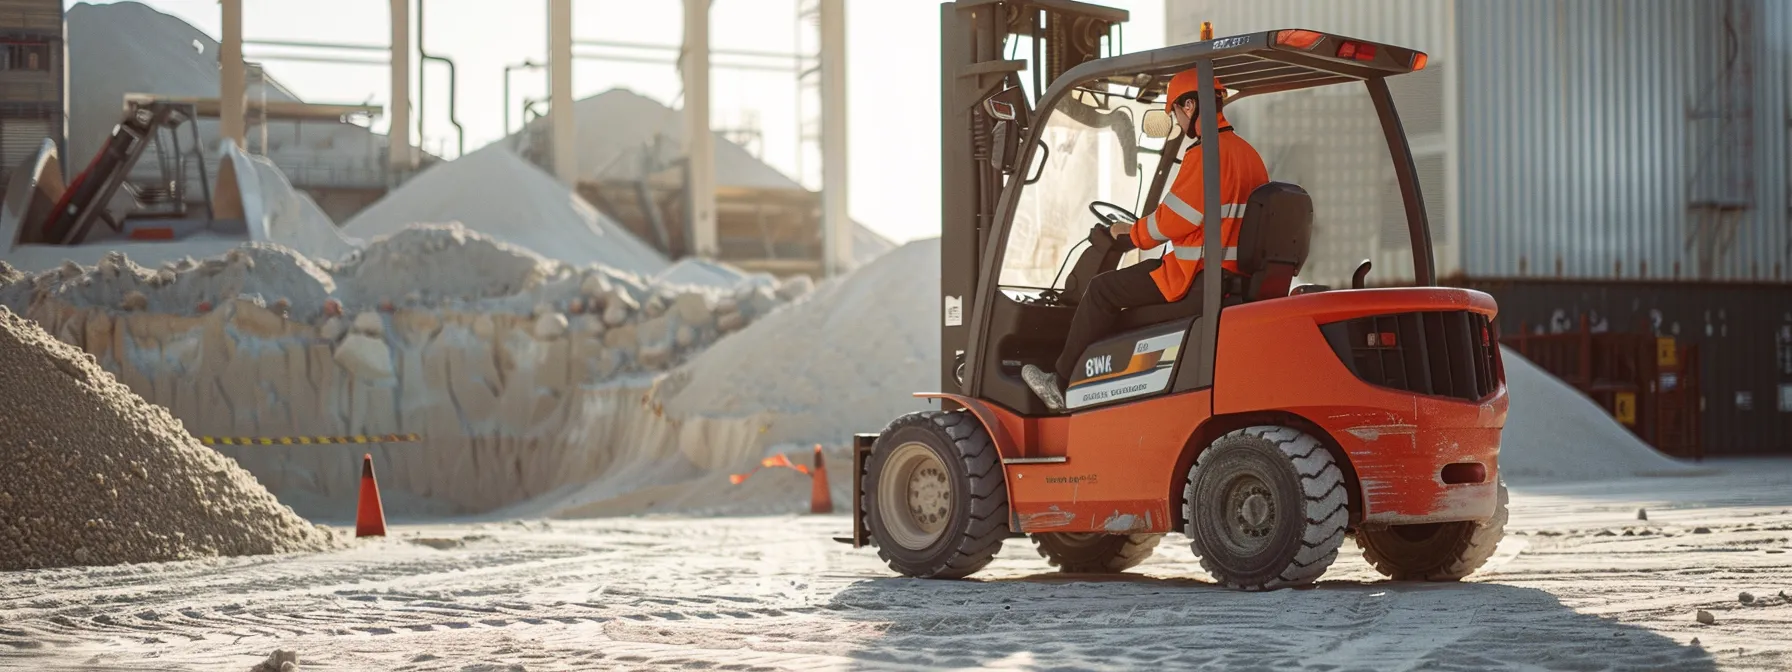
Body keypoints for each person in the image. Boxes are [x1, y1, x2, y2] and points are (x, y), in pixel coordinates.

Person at [1021, 70, 1270, 412]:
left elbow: (1175, 219)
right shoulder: (1248, 155)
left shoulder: (1206, 155)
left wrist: (1131, 233)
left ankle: (1060, 383)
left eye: (1177, 114)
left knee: (1101, 291)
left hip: (1193, 279)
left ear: (1190, 105)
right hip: (1229, 277)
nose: (1179, 123)